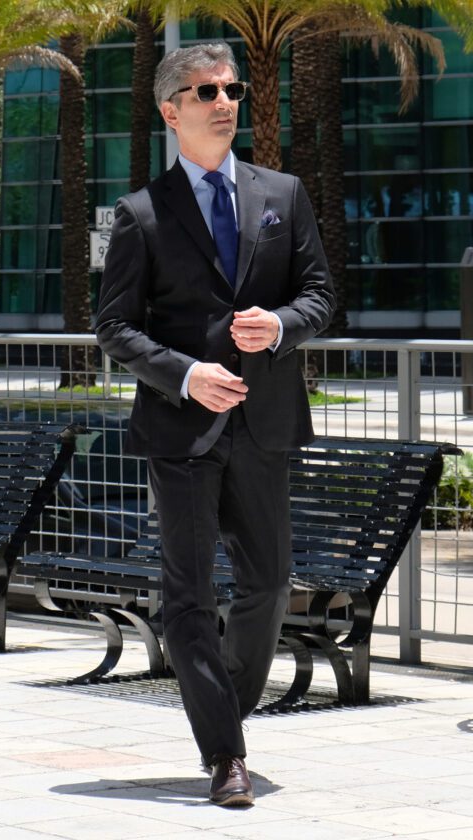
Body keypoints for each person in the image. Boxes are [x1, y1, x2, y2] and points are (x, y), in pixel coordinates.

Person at [96, 41, 335, 807]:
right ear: (172, 111)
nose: (224, 100)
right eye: (205, 91)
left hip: (264, 425)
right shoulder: (141, 213)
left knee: (266, 586)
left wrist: (285, 324)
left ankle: (225, 704)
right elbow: (115, 327)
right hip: (181, 430)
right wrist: (188, 374)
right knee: (190, 597)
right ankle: (226, 754)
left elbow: (323, 295)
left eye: (230, 88)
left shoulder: (283, 194)